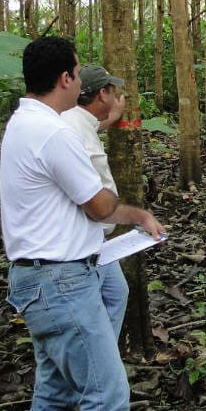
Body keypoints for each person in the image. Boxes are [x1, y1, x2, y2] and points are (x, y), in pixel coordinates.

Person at [0, 36, 165, 411]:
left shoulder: (23, 122)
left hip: (41, 279)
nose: (79, 81)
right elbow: (99, 206)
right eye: (77, 73)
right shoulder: (54, 133)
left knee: (55, 398)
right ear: (65, 79)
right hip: (61, 283)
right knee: (107, 397)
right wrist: (140, 216)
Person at [60, 65, 130, 339]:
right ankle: (96, 357)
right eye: (112, 92)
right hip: (81, 239)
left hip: (95, 237)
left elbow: (91, 127)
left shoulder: (76, 120)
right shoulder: (71, 127)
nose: (114, 96)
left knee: (116, 293)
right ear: (102, 94)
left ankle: (103, 352)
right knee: (92, 306)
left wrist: (112, 117)